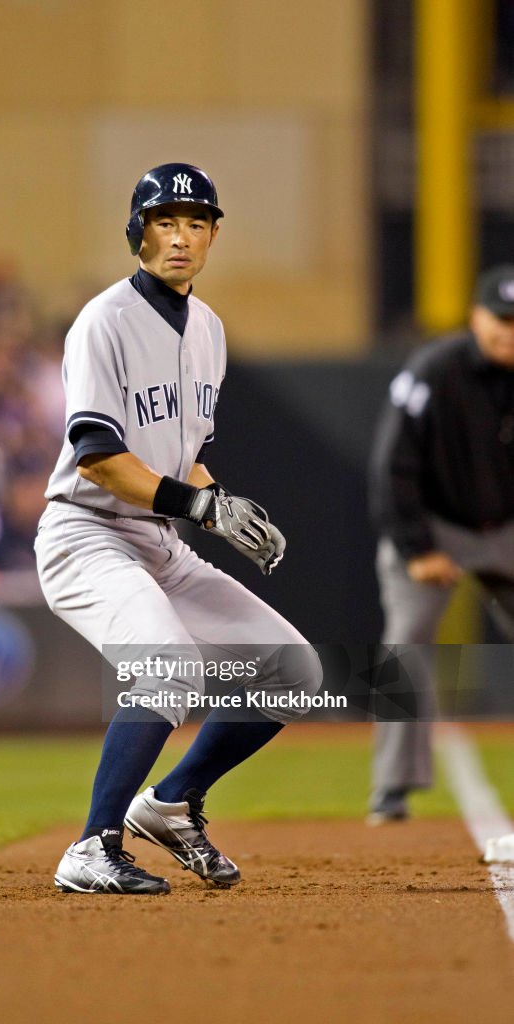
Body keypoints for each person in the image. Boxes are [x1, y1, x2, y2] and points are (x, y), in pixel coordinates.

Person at [34, 162, 322, 894]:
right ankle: (91, 847)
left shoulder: (210, 330)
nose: (181, 237)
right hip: (86, 534)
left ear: (214, 235)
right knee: (168, 667)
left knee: (292, 672)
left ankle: (169, 803)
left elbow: (185, 458)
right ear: (138, 231)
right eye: (165, 221)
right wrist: (199, 507)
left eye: (196, 223)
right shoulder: (105, 321)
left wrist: (224, 506)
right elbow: (98, 458)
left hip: (157, 541)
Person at [368, 264, 514, 824]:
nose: (507, 331)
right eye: (499, 318)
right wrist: (416, 547)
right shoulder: (435, 369)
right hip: (435, 522)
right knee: (405, 643)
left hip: (505, 527)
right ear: (477, 317)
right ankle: (393, 786)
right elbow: (394, 465)